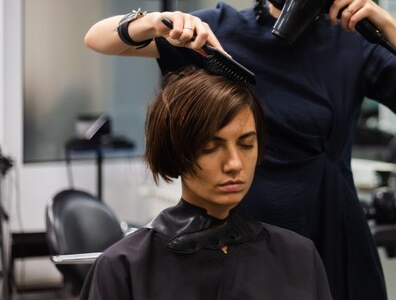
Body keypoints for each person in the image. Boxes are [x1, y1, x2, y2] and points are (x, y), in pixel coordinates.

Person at [84, 0, 396, 300]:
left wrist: (382, 20)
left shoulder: (351, 44)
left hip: (331, 225)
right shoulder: (219, 31)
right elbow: (98, 39)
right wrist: (156, 22)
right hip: (241, 228)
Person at [79, 66, 333, 300]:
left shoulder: (298, 256)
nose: (234, 163)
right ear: (174, 152)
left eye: (246, 145)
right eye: (211, 148)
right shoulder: (123, 267)